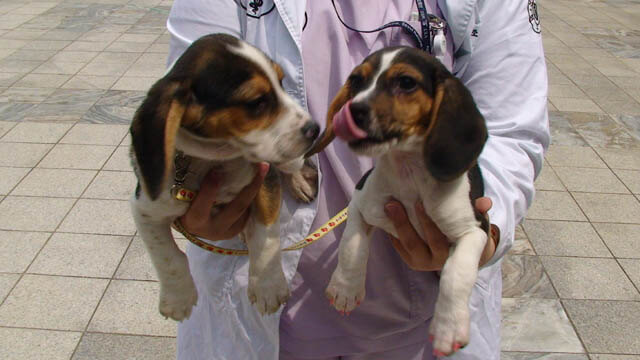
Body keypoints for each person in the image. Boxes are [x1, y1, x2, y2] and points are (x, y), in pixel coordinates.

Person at [166, 0, 550, 359]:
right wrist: (187, 192)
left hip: (420, 333)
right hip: (260, 319)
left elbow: (512, 131)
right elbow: (188, 103)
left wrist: (480, 232)